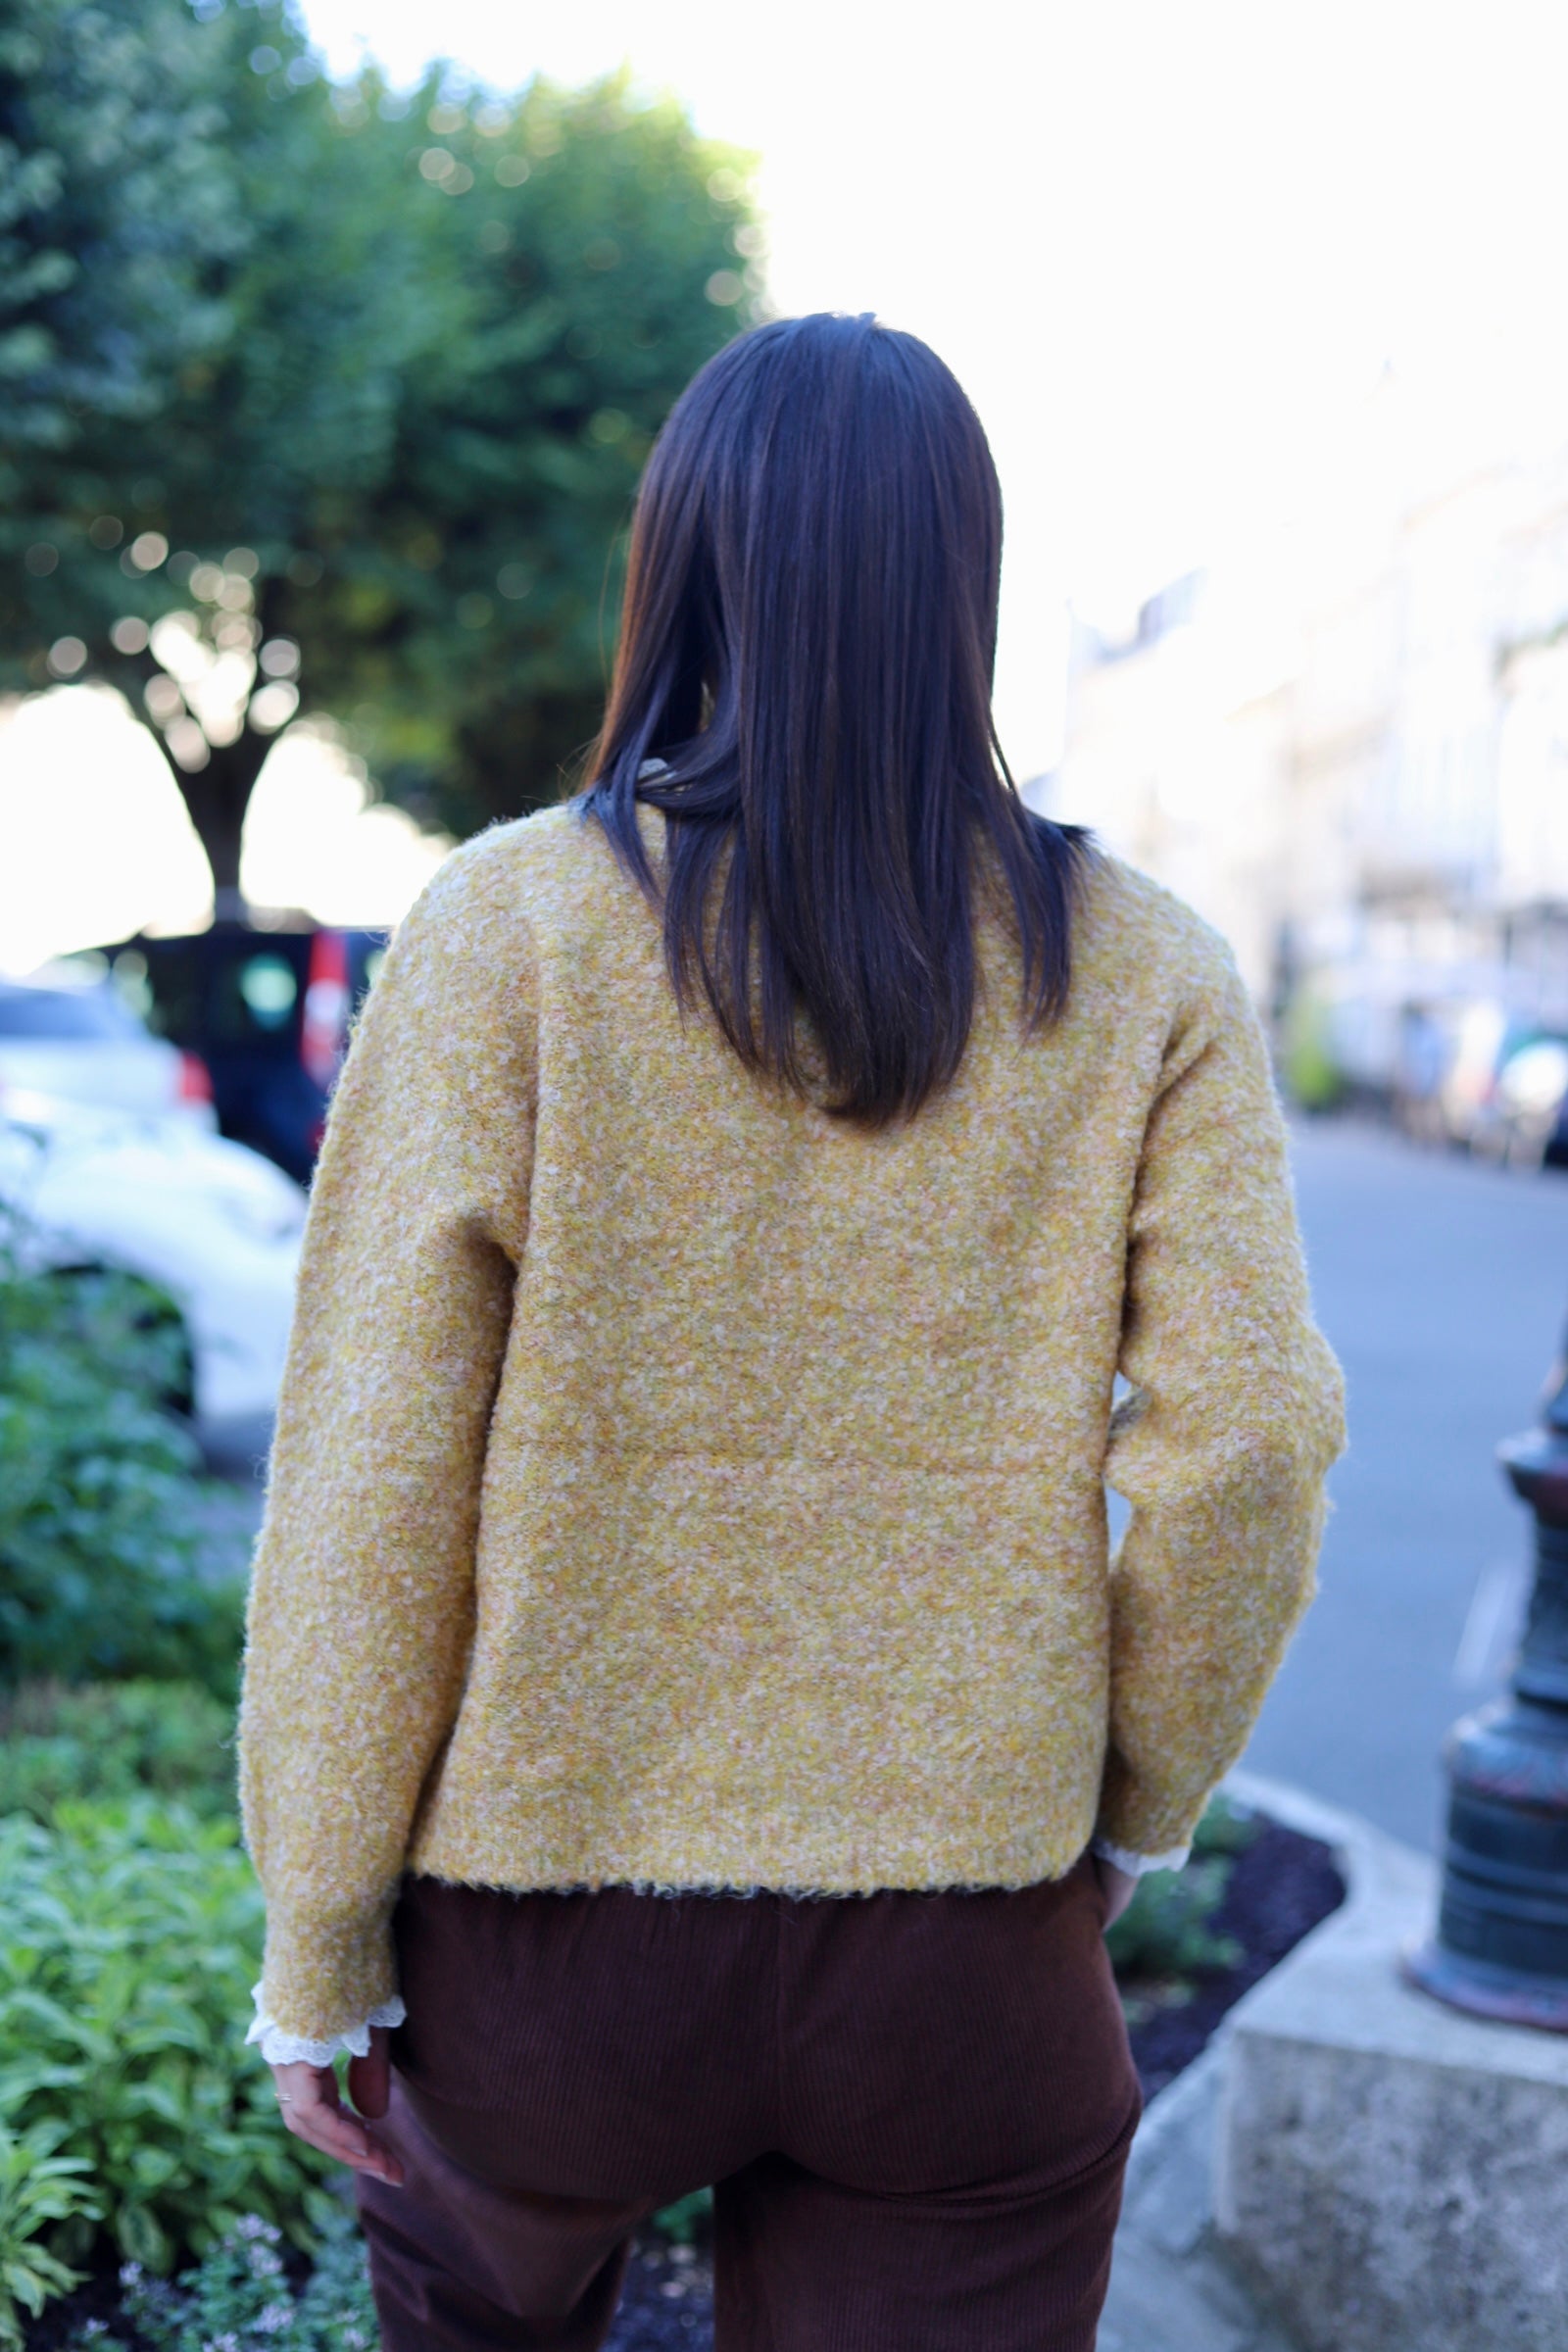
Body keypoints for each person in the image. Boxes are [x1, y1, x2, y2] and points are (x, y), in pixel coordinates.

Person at [237, 311, 1345, 2351]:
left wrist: (319, 1934)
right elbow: (1248, 1443)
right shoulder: (1144, 969)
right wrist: (1130, 1805)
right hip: (963, 1957)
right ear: (963, 582)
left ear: (681, 561)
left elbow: (373, 1467)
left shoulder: (510, 928)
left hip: (542, 1949)